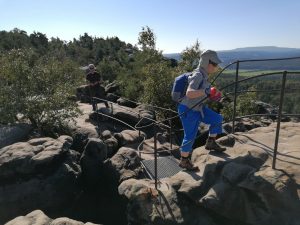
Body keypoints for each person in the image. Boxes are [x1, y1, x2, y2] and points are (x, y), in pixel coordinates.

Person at [178, 50, 226, 171]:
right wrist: (206, 92)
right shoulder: (198, 75)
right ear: (206, 62)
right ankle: (184, 161)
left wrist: (216, 97)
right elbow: (189, 93)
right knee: (190, 135)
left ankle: (210, 142)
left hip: (198, 108)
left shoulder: (204, 75)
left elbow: (204, 94)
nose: (216, 67)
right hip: (188, 109)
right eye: (214, 64)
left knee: (217, 119)